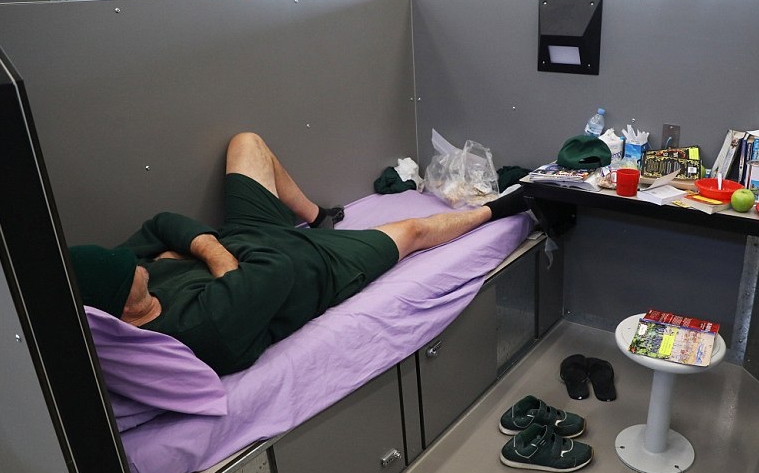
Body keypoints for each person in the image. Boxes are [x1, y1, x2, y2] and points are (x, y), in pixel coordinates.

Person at [69, 132, 530, 375]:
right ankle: (498, 209)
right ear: (124, 308)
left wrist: (212, 253)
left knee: (246, 143)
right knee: (413, 230)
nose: (136, 263)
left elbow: (160, 222)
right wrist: (206, 250)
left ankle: (316, 215)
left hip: (247, 239)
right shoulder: (200, 329)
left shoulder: (123, 285)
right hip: (314, 268)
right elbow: (277, 269)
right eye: (130, 271)